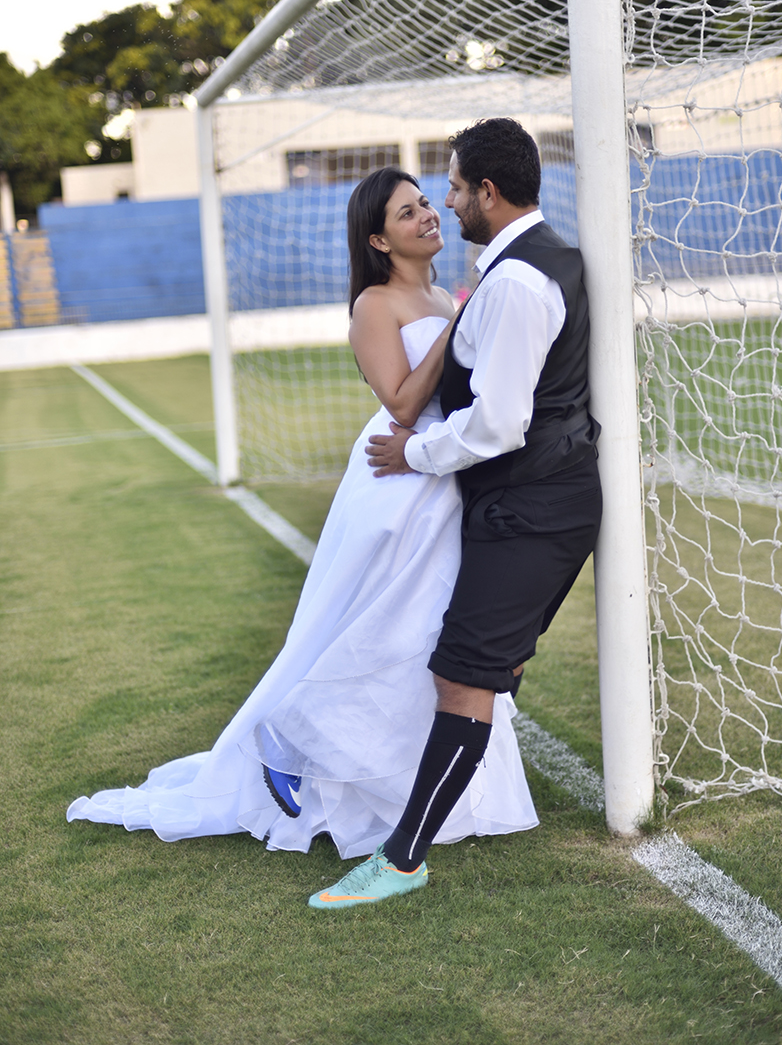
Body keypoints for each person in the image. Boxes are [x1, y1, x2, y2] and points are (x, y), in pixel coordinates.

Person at [66, 166, 538, 859]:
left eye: (426, 205)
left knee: (425, 635)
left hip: (444, 477)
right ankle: (293, 737)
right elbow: (402, 403)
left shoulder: (441, 292)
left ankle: (401, 781)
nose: (427, 217)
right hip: (396, 483)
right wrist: (460, 320)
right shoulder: (374, 305)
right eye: (407, 214)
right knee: (378, 627)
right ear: (378, 239)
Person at [308, 119, 602, 908]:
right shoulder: (539, 261)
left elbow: (500, 422)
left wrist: (414, 456)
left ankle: (401, 857)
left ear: (487, 193)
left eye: (450, 187)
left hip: (530, 502)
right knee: (474, 666)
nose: (444, 203)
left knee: (463, 673)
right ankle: (411, 819)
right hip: (532, 498)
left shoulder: (509, 283)